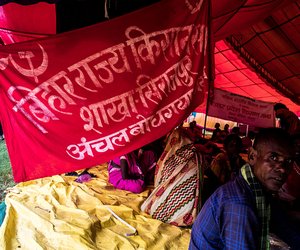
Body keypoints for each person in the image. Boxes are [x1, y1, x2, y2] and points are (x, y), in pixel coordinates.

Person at [189, 127, 300, 250]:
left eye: (289, 161)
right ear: (252, 156)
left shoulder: (255, 188)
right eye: (273, 158)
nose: (283, 169)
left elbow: (283, 224)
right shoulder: (239, 204)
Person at [141, 125, 209, 226]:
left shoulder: (169, 157)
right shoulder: (198, 156)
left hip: (166, 204)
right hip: (187, 208)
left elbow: (159, 179)